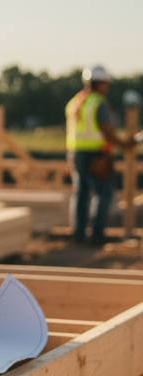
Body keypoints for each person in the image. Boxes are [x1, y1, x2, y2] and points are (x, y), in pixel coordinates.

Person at [65, 65, 134, 245]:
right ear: (100, 83)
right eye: (106, 83)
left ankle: (78, 234)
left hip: (75, 152)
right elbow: (106, 129)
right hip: (95, 153)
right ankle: (96, 234)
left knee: (80, 193)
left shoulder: (75, 102)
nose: (107, 87)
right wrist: (123, 144)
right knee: (103, 193)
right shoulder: (98, 102)